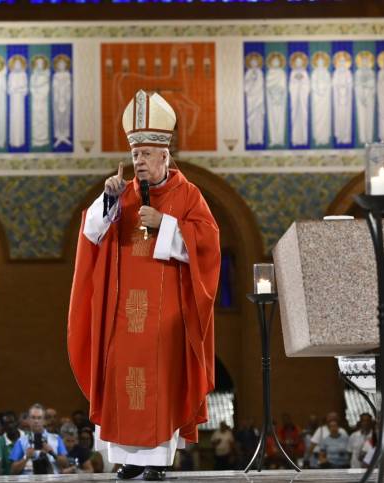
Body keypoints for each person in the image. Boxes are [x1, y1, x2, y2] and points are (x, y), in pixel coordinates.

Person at [68, 89, 220, 481]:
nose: (139, 161)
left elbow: (208, 245)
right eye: (135, 154)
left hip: (166, 315)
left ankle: (157, 461)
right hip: (122, 313)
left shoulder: (188, 194)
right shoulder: (122, 193)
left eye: (146, 154)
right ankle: (129, 459)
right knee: (123, 378)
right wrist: (108, 200)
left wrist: (166, 225)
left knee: (160, 381)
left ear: (165, 156)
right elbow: (91, 234)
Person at [9, 403, 67, 475]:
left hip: (52, 479)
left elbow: (65, 464)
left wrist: (52, 453)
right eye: (33, 418)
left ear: (44, 420)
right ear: (29, 420)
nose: (36, 421)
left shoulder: (56, 439)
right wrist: (26, 457)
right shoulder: (21, 441)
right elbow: (13, 471)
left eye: (39, 418)